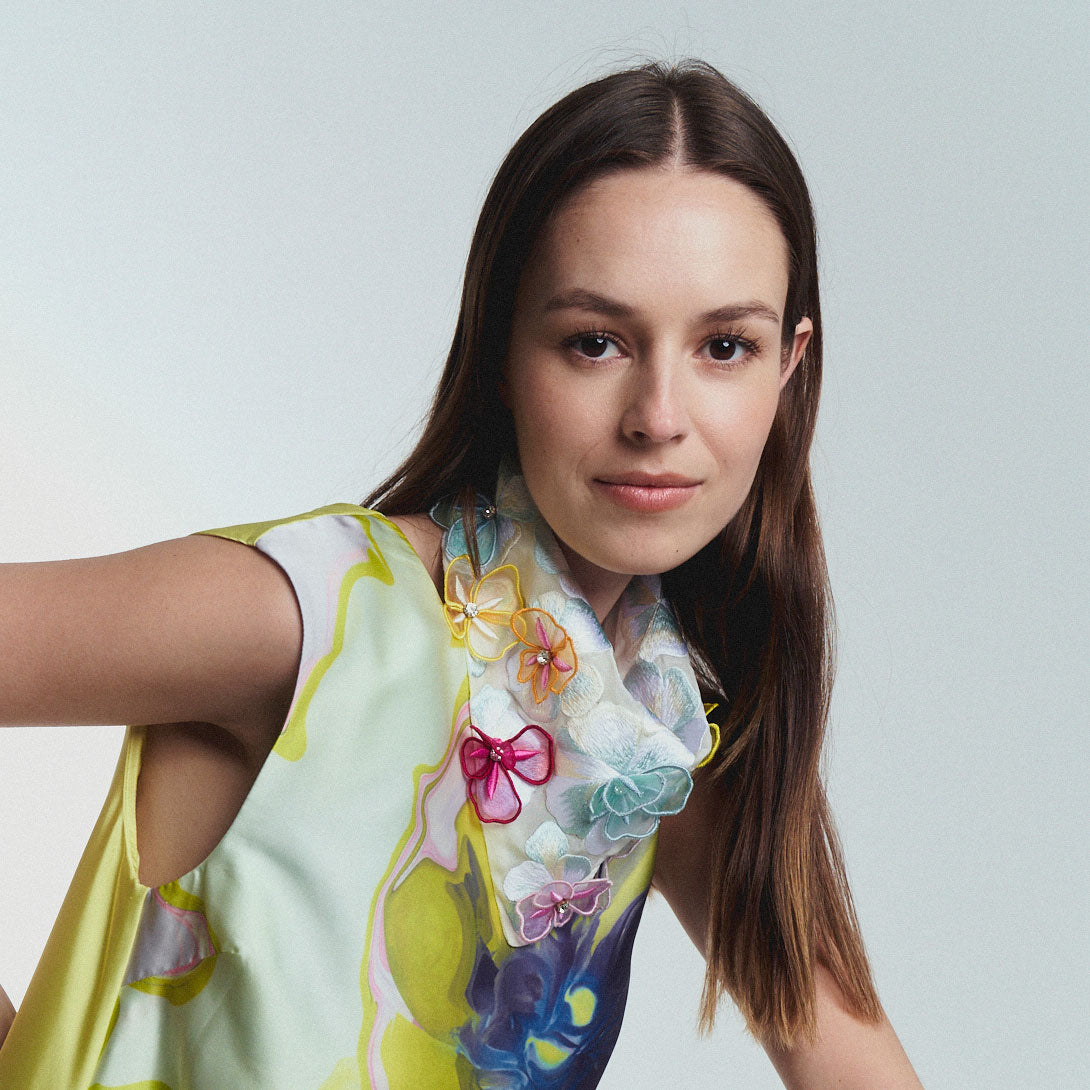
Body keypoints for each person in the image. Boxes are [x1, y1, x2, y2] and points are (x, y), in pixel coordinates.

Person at [0, 59, 925, 1088]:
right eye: (595, 341)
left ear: (788, 368)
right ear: (500, 348)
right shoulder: (315, 622)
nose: (659, 416)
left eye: (723, 346)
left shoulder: (661, 746)